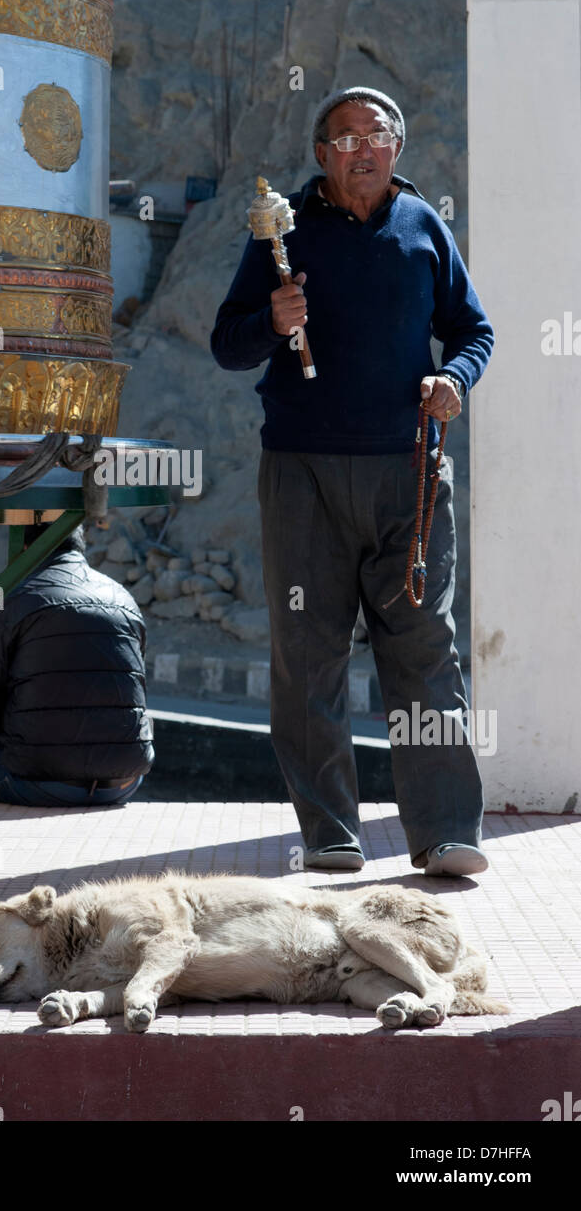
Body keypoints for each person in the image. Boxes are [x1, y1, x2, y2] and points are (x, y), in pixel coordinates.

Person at [211, 86, 495, 877]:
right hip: (300, 471)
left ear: (395, 149)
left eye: (376, 136)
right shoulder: (284, 235)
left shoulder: (421, 226)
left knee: (424, 649)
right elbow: (226, 346)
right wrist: (270, 322)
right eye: (344, 138)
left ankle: (444, 831)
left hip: (408, 470)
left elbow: (472, 328)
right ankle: (329, 833)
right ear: (320, 154)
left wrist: (455, 379)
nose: (361, 149)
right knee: (308, 652)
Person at [0, 522, 153, 805]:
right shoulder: (123, 598)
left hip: (42, 782)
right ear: (80, 546)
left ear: (26, 547)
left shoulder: (12, 601)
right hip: (125, 780)